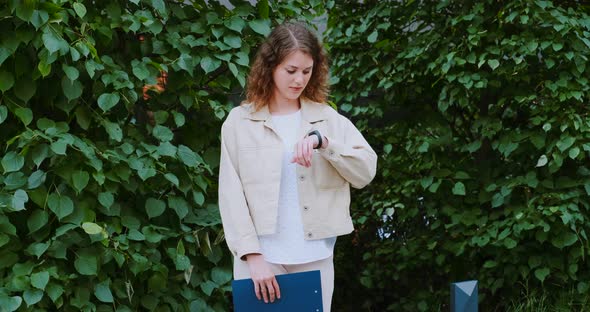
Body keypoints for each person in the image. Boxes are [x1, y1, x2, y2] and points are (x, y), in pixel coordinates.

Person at [218, 21, 377, 311]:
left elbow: (365, 171)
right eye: (290, 71)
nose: (299, 80)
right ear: (270, 68)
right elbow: (230, 195)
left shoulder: (327, 119)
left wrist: (325, 143)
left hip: (314, 258)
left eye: (307, 71)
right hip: (260, 263)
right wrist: (253, 257)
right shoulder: (239, 123)